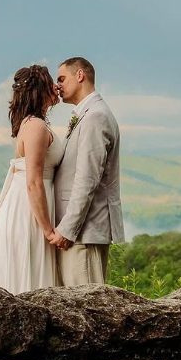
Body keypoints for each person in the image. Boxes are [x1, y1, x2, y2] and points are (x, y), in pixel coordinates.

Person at [0, 64, 65, 293]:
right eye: (51, 83)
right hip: (29, 213)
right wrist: (48, 230)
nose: (56, 87)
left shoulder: (30, 123)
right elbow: (33, 182)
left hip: (28, 207)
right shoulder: (36, 126)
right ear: (41, 90)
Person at [51, 56, 124, 284]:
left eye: (62, 78)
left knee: (85, 309)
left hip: (83, 233)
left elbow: (86, 179)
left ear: (80, 75)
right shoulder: (89, 114)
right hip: (79, 233)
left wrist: (67, 230)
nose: (57, 86)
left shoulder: (95, 117)